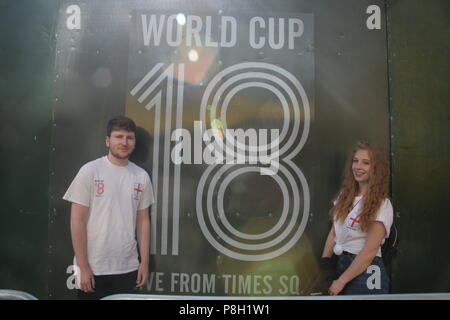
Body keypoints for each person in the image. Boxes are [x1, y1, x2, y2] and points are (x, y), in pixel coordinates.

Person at [63, 116, 154, 300]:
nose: (124, 142)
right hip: (94, 268)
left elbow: (143, 222)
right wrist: (83, 265)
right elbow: (77, 220)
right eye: (118, 136)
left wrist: (144, 262)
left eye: (129, 137)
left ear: (134, 142)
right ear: (107, 141)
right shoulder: (90, 171)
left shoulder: (141, 176)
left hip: (128, 268)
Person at [321, 141, 393, 295]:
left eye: (366, 163)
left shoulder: (382, 204)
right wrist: (325, 263)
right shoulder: (344, 197)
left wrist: (341, 281)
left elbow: (369, 251)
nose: (358, 167)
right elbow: (335, 231)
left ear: (376, 169)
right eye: (355, 161)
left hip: (367, 274)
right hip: (341, 265)